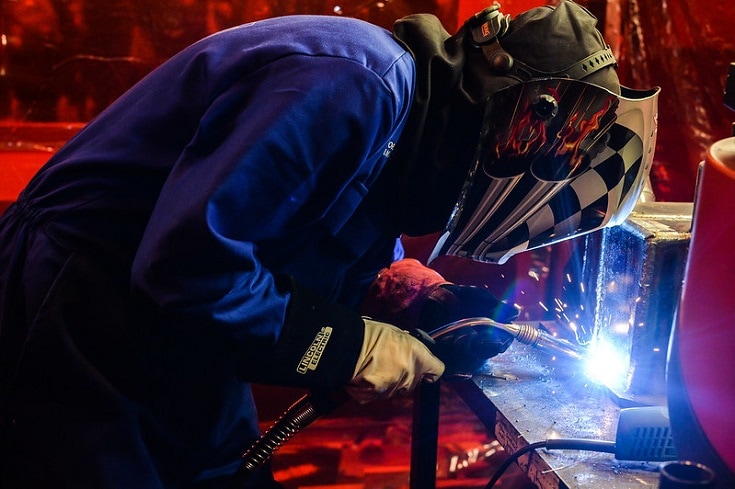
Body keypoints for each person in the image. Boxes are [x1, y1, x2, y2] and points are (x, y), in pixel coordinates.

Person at [0, 1, 658, 487]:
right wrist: (353, 345)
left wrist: (401, 287)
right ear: (510, 97)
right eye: (549, 130)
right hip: (77, 308)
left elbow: (307, 231)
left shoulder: (405, 127)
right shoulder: (355, 83)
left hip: (167, 331)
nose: (542, 156)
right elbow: (192, 266)